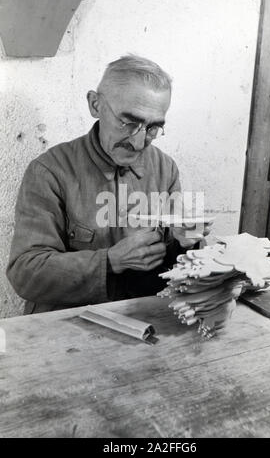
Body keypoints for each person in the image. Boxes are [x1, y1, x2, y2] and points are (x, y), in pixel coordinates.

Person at [7, 55, 209, 314]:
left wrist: (186, 242)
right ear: (95, 104)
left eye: (153, 128)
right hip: (68, 323)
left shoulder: (165, 168)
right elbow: (25, 272)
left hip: (143, 318)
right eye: (128, 122)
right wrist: (109, 262)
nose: (138, 143)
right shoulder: (49, 172)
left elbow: (175, 269)